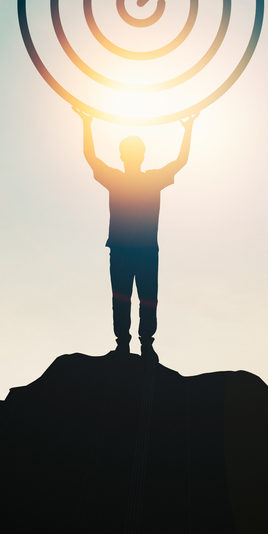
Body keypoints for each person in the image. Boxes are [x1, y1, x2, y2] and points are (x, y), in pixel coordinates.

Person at [82, 110, 194, 358]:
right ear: (141, 156)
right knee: (143, 299)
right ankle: (140, 344)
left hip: (130, 250)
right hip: (139, 250)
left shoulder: (121, 179)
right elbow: (180, 161)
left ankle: (133, 344)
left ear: (123, 156)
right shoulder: (149, 180)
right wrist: (188, 131)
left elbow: (91, 157)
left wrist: (87, 125)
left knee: (131, 299)